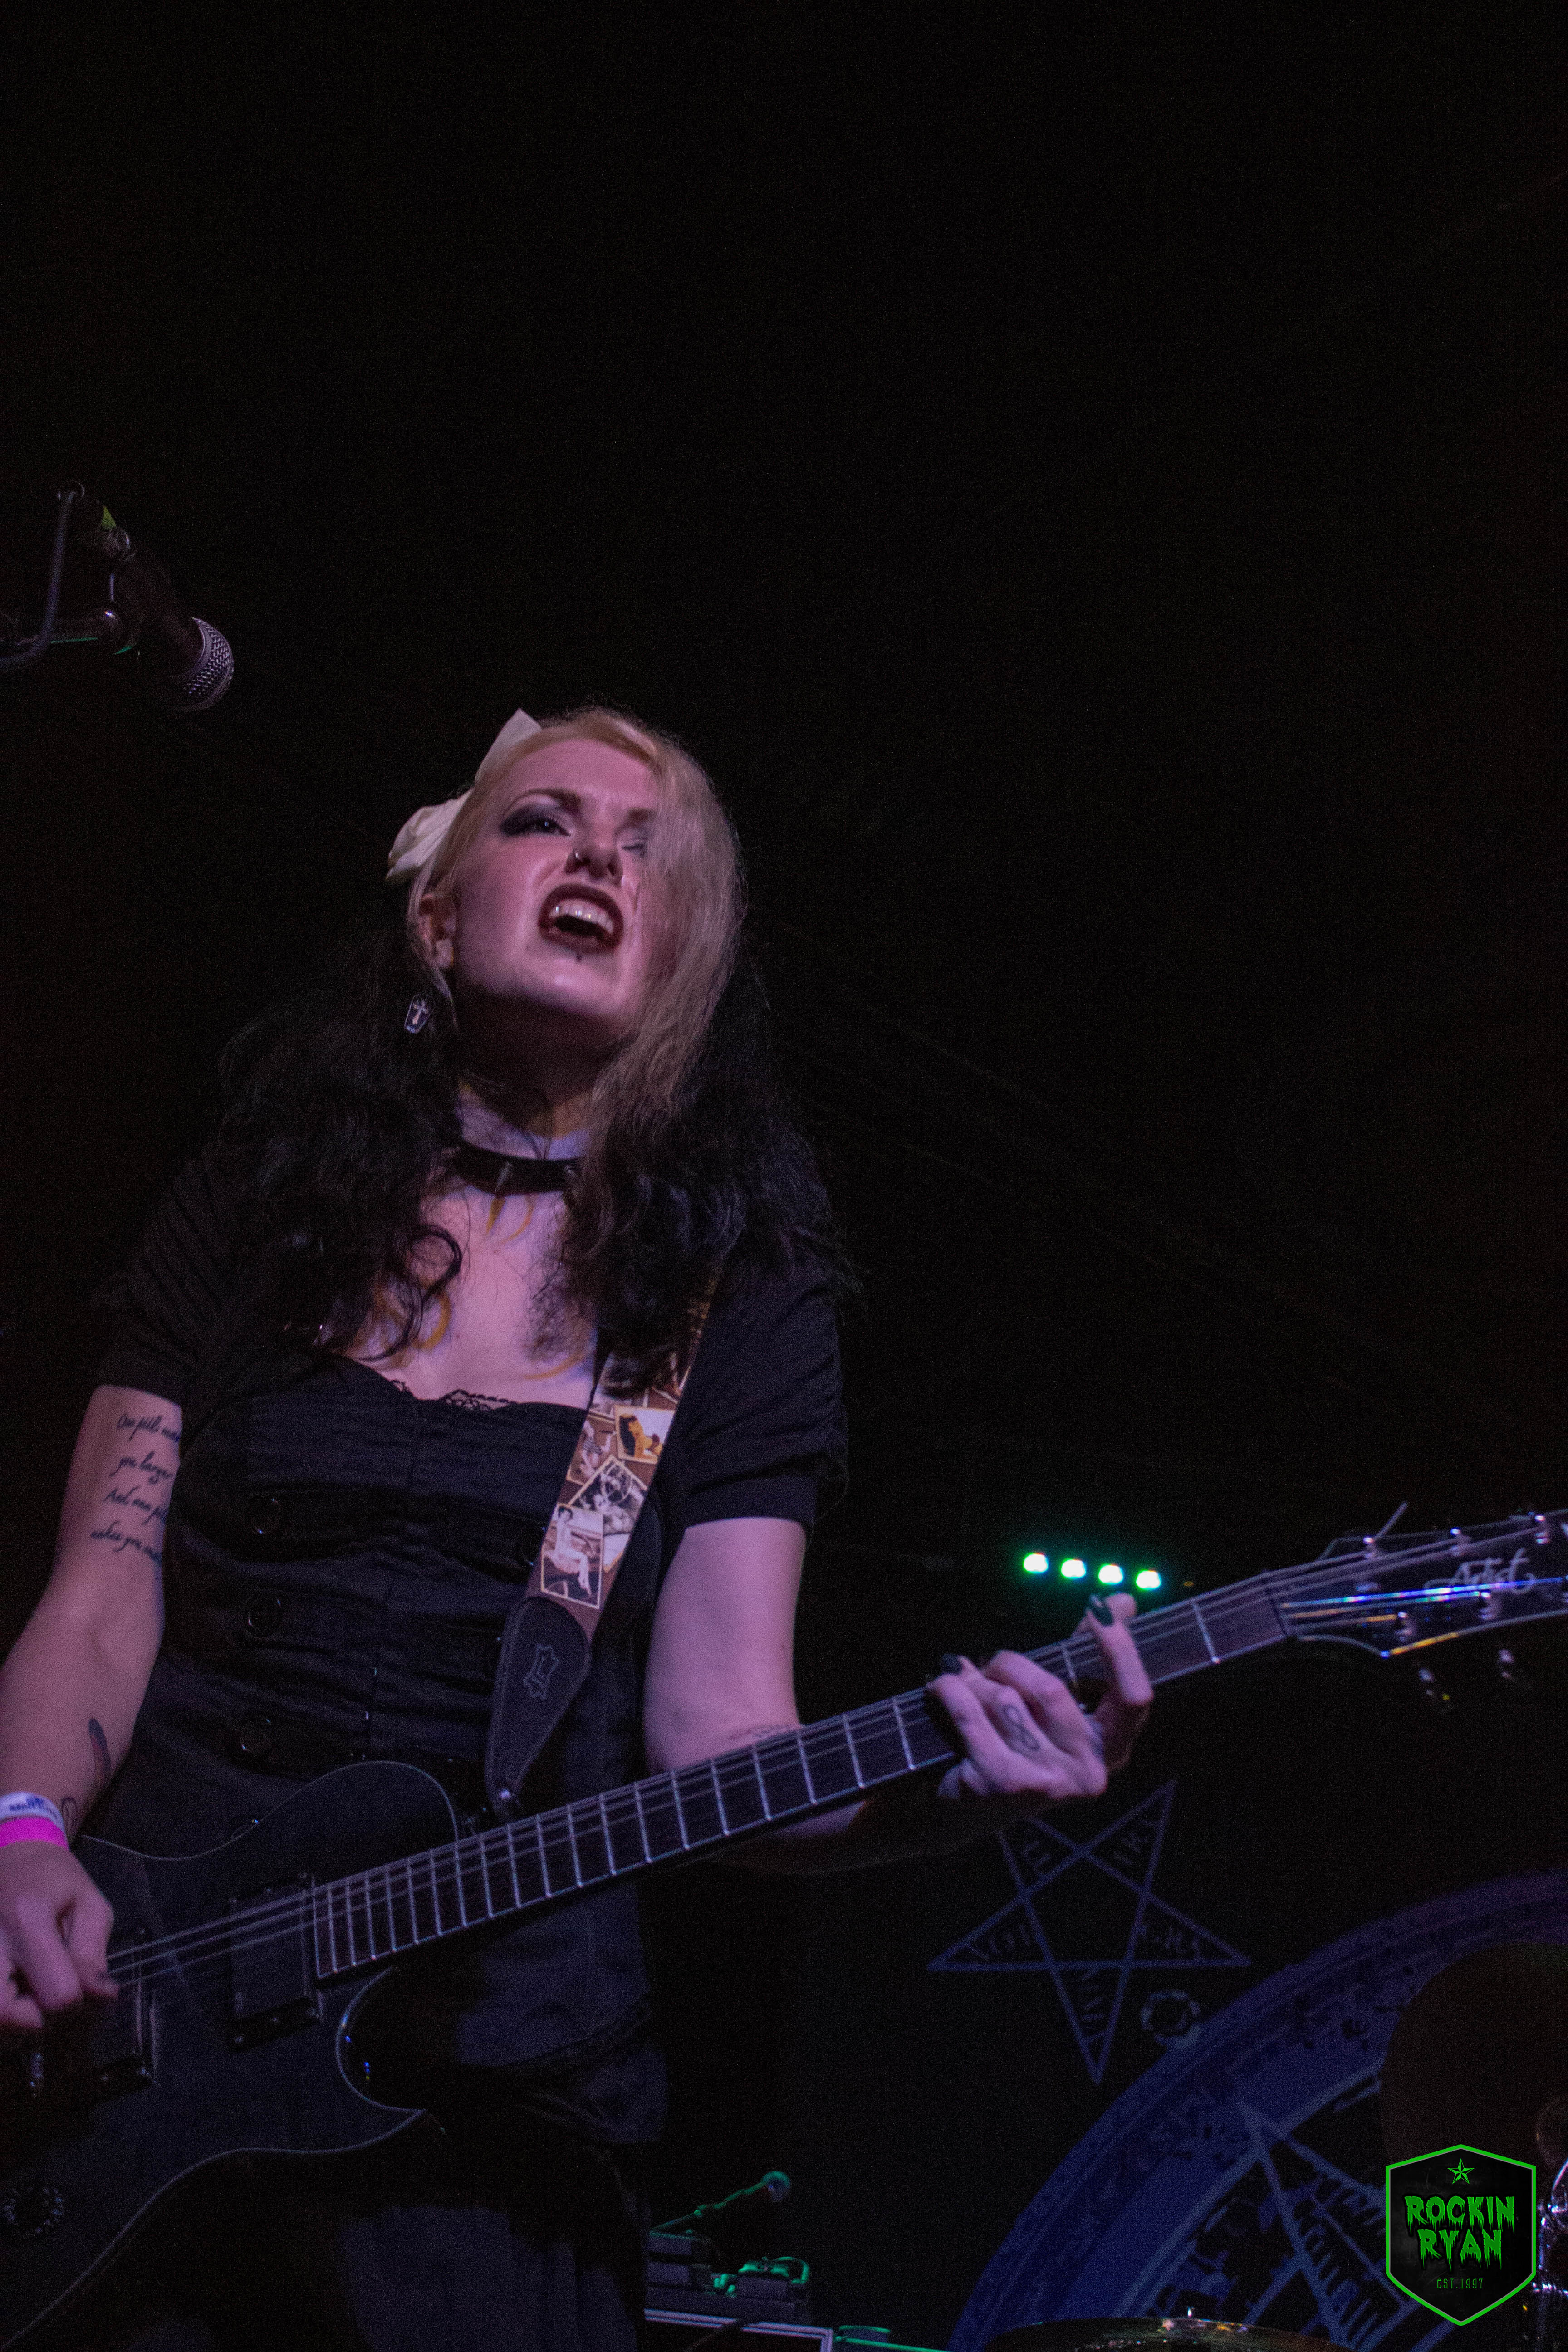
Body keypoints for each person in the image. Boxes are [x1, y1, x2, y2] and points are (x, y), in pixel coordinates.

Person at [0, 706, 1152, 2350]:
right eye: (546, 819)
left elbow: (719, 1739)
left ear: (685, 963)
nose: (601, 855)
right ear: (436, 914)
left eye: (649, 849)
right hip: (128, 2033)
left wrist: (936, 1807)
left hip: (483, 2118)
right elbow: (99, 1594)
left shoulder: (732, 1296)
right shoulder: (253, 1208)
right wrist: (20, 1832)